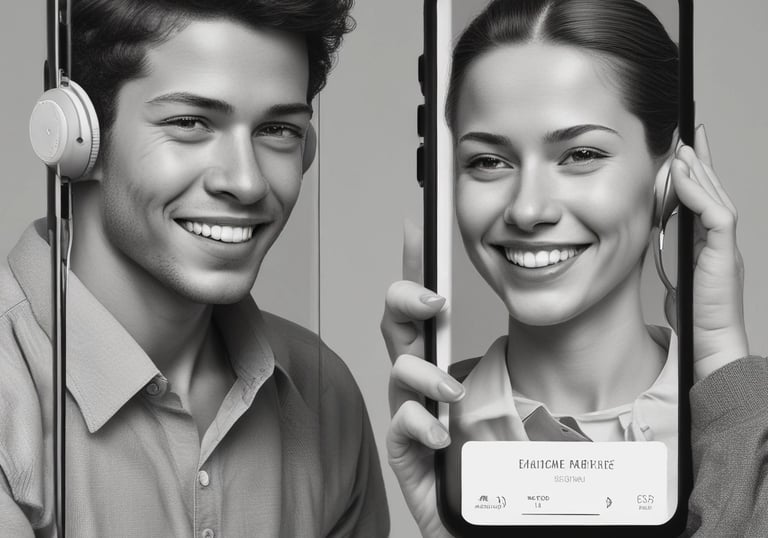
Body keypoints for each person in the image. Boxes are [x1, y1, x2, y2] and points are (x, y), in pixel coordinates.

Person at [0, 1, 389, 536]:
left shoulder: (323, 390)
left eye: (278, 129)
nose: (247, 182)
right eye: (190, 122)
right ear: (74, 137)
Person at [381, 0, 767, 536]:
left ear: (671, 176)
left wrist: (722, 362)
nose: (528, 210)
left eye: (581, 155)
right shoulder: (441, 440)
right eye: (488, 161)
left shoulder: (745, 428)